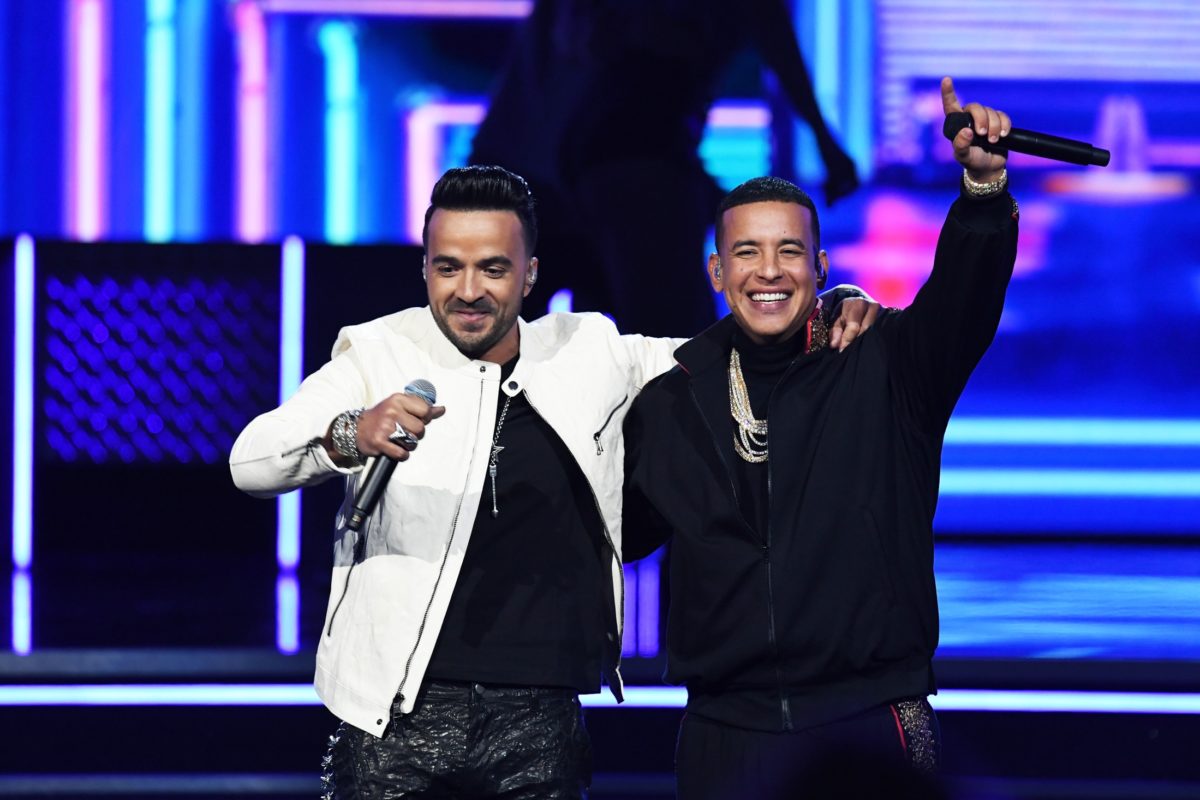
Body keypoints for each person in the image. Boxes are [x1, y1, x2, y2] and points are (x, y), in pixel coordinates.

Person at [229, 165, 879, 799]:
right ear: (424, 268)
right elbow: (250, 462)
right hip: (393, 718)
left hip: (539, 716)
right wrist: (351, 434)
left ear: (531, 273)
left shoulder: (588, 349)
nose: (468, 290)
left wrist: (829, 304)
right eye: (448, 267)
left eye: (493, 268)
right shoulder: (377, 353)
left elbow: (731, 352)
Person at [620, 78, 1019, 799]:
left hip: (869, 715)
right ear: (717, 271)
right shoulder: (671, 398)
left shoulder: (887, 363)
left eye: (789, 251)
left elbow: (964, 300)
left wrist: (983, 194)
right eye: (747, 252)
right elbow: (617, 531)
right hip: (724, 730)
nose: (769, 271)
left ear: (821, 266)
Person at [470, 0, 859, 337]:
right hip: (615, 160)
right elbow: (776, 43)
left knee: (599, 336)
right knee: (670, 339)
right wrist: (824, 142)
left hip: (576, 162)